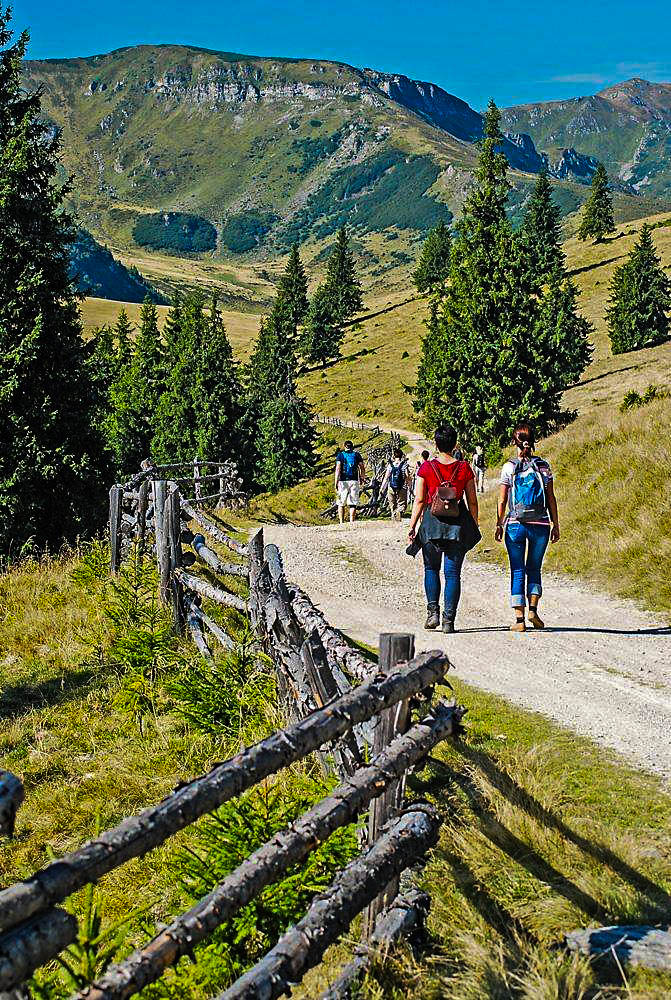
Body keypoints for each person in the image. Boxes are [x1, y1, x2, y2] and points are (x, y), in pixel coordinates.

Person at [407, 423, 479, 632]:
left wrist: (412, 526)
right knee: (453, 574)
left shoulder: (426, 467)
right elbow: (472, 501)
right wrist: (473, 524)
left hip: (431, 524)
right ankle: (449, 621)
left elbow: (419, 500)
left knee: (431, 569)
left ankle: (432, 614)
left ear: (436, 444)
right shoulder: (465, 468)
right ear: (455, 443)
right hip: (456, 527)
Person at [495, 422, 559, 631]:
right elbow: (551, 498)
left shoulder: (509, 467)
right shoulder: (544, 466)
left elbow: (503, 499)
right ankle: (533, 610)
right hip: (540, 524)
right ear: (533, 441)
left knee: (517, 569)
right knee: (534, 568)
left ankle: (519, 620)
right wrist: (555, 524)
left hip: (516, 524)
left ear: (515, 442)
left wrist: (499, 523)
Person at [334, 440, 366, 525]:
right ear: (352, 446)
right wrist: (362, 478)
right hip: (354, 480)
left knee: (341, 503)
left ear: (344, 446)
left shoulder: (340, 455)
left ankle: (341, 522)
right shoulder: (357, 455)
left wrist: (336, 482)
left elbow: (338, 469)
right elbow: (362, 468)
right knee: (353, 503)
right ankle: (352, 522)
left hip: (343, 481)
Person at [381, 448, 410, 521]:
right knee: (402, 503)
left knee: (392, 503)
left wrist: (382, 488)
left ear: (394, 456)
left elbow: (386, 477)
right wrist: (410, 487)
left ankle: (394, 516)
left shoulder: (390, 465)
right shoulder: (404, 465)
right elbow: (407, 477)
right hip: (402, 487)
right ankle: (399, 512)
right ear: (402, 456)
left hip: (391, 486)